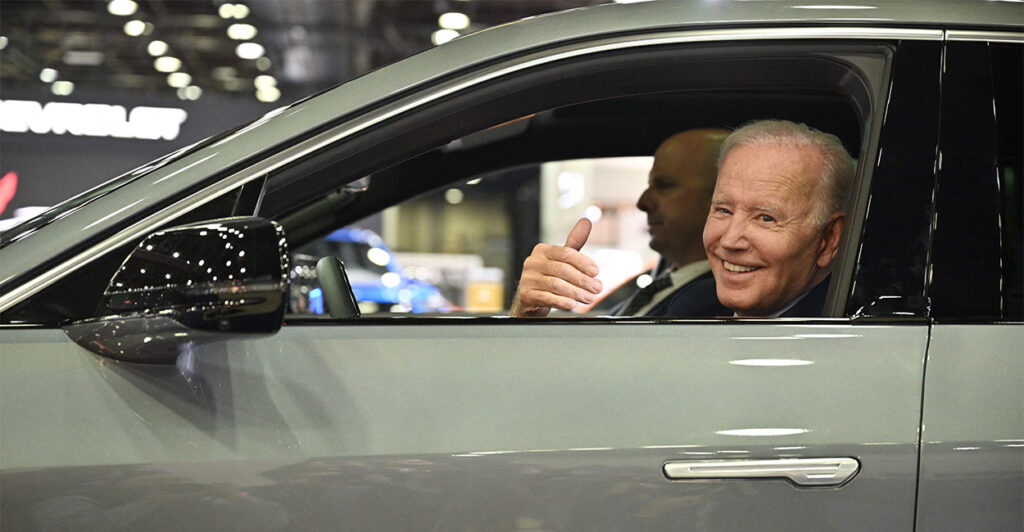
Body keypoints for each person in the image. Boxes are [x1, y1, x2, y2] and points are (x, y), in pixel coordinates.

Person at [510, 128, 730, 317]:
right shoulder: (666, 284)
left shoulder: (713, 300)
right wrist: (529, 310)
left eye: (664, 185)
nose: (643, 202)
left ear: (720, 199)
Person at [667, 119, 855, 317]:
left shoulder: (845, 338)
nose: (729, 241)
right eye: (724, 210)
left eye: (765, 218)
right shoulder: (693, 308)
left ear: (829, 239)